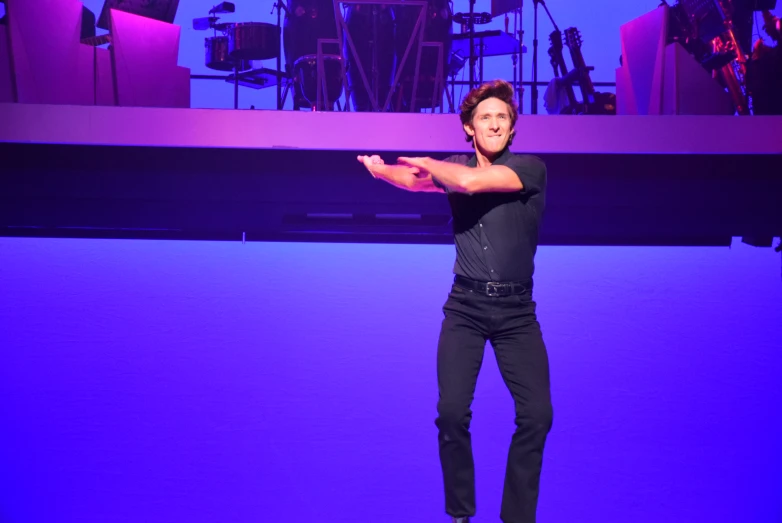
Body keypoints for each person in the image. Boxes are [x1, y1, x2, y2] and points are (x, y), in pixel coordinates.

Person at [357, 79, 553, 523]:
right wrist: (380, 170)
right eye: (485, 117)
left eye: (503, 117)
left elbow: (468, 182)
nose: (495, 123)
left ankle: (517, 518)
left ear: (513, 128)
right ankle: (461, 515)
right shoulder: (452, 167)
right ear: (469, 127)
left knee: (538, 414)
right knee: (450, 414)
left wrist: (428, 162)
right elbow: (416, 181)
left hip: (517, 313)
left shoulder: (530, 169)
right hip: (464, 307)